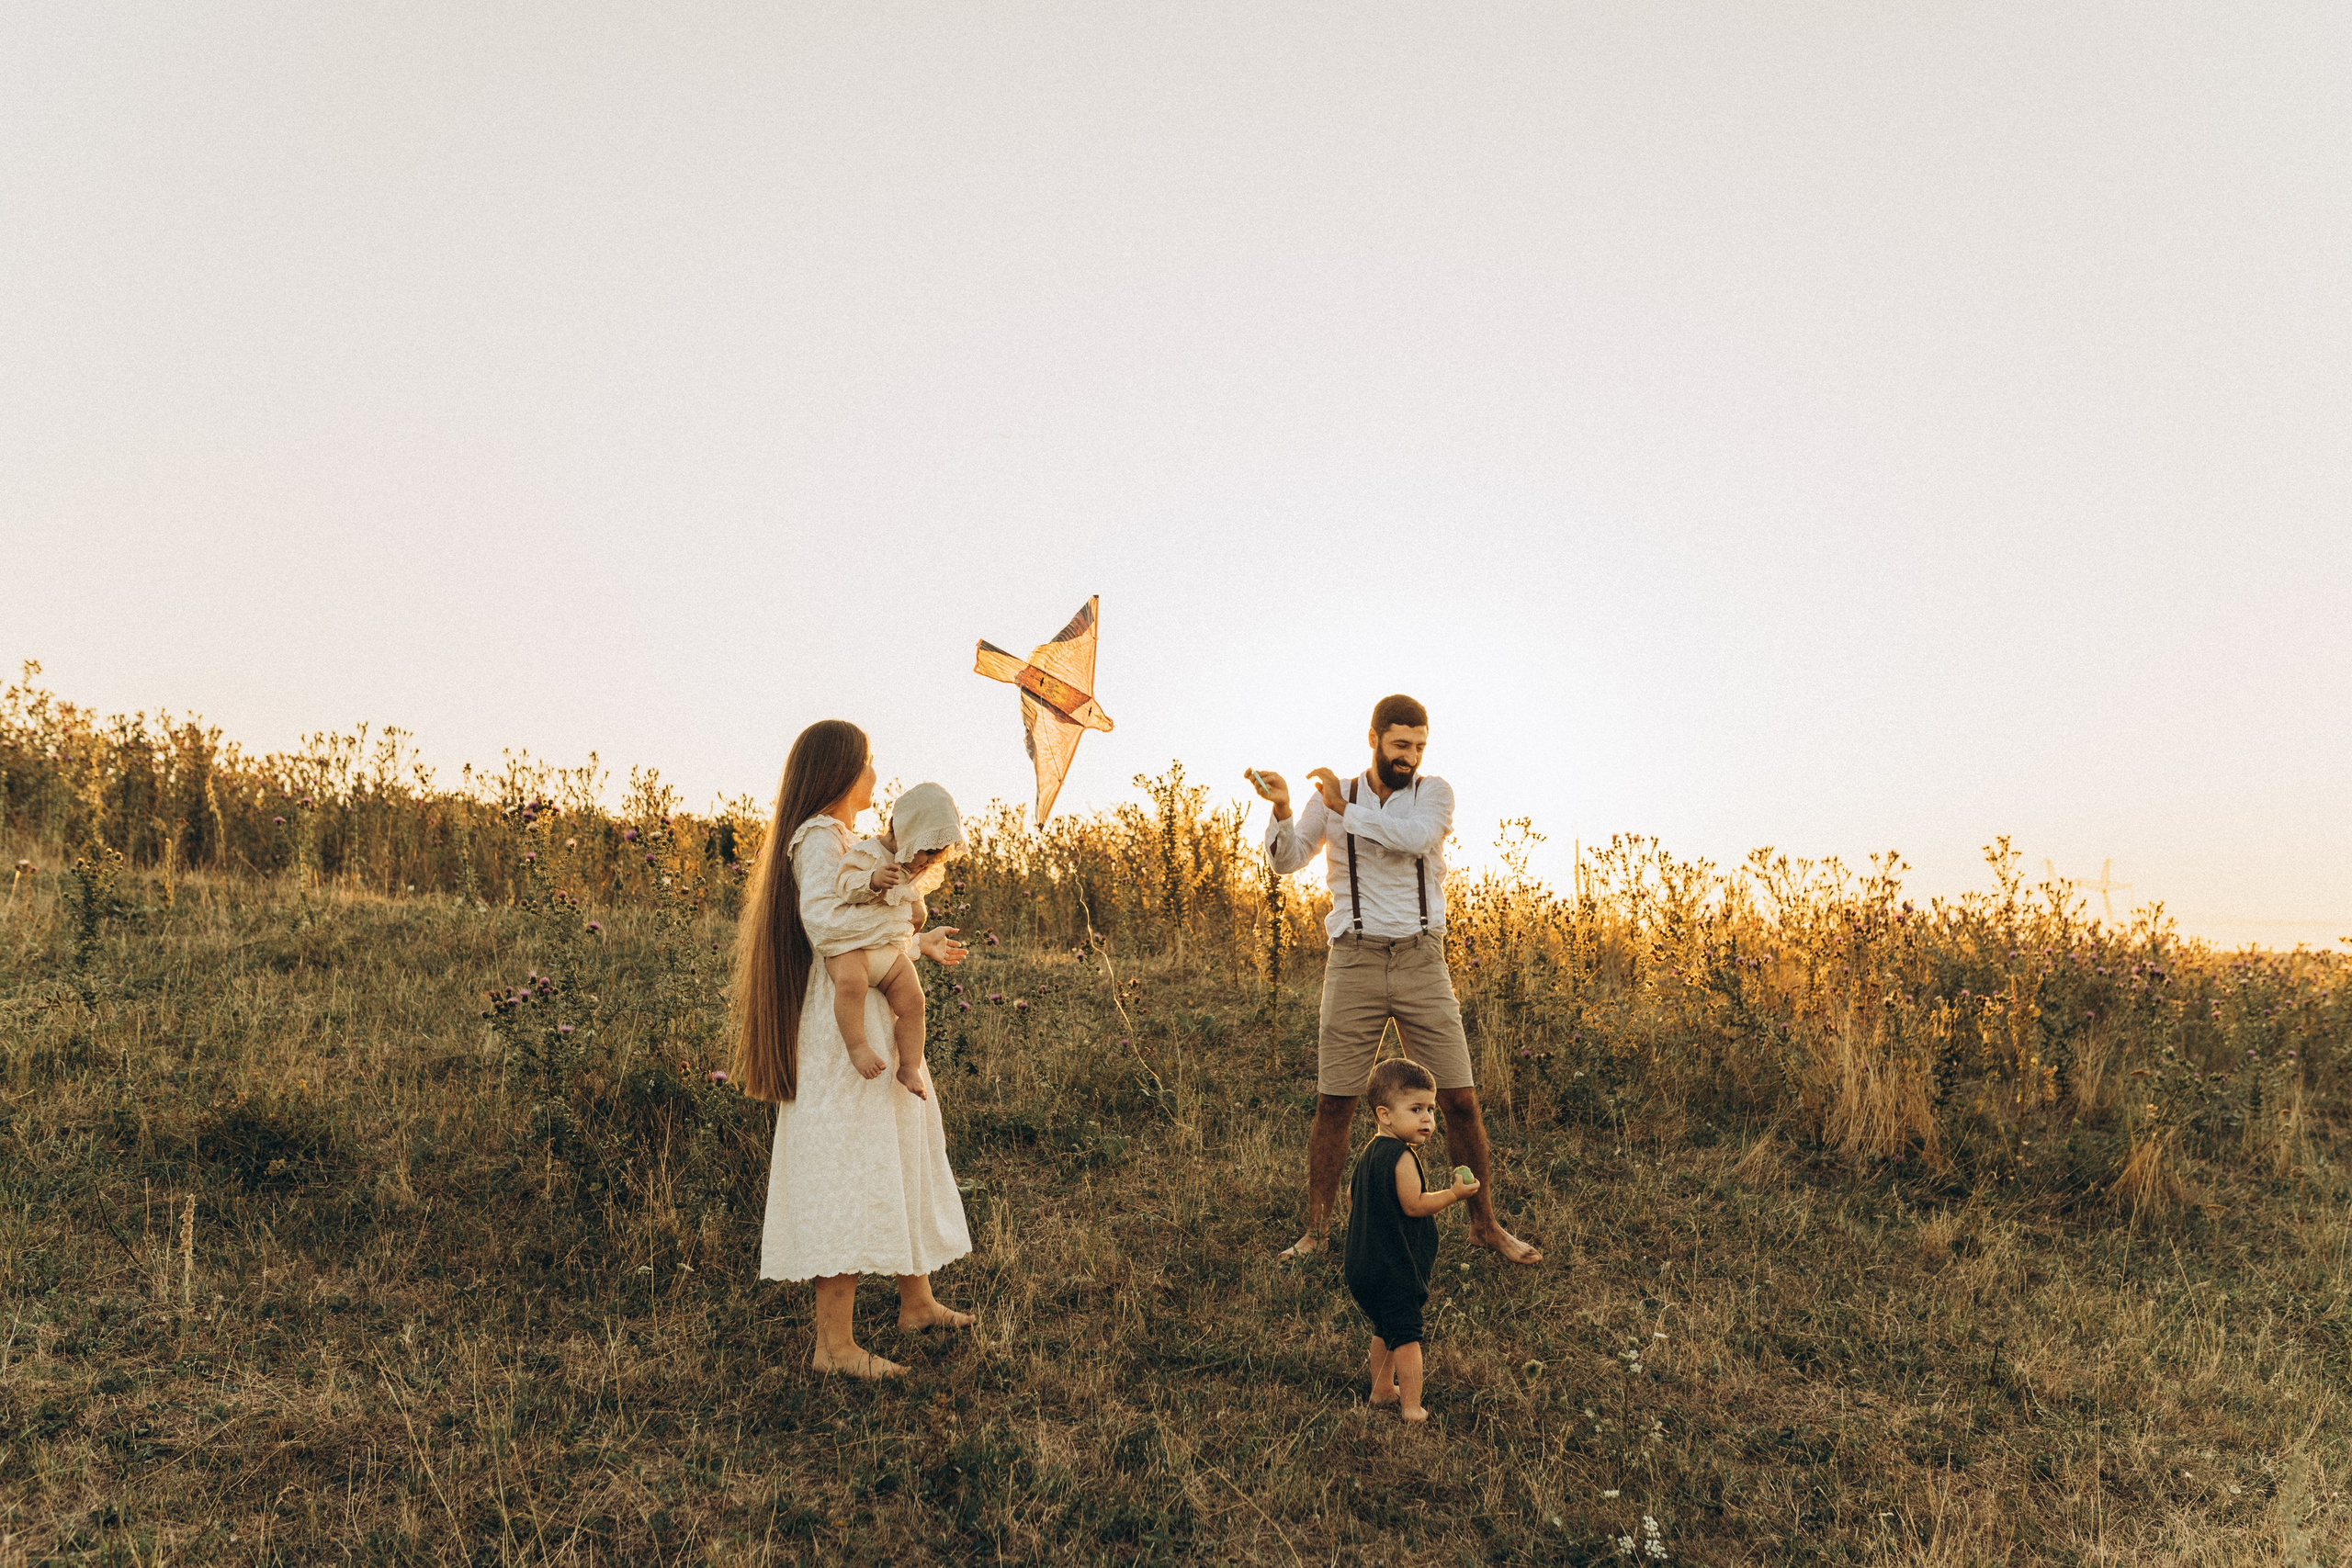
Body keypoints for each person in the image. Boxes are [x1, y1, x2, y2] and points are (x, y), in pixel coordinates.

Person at [1248, 693, 1543, 1266]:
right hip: (1353, 960)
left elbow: (1411, 837)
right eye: (1400, 744)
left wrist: (1341, 806)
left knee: (1459, 1100)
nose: (1410, 756)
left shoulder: (1433, 794)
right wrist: (1285, 810)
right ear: (1374, 740)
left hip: (1420, 960)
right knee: (1335, 1101)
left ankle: (1484, 1225)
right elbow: (1287, 861)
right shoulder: (1334, 796)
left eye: (1419, 746)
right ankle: (1317, 1233)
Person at [732, 722, 975, 1379]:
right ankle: (834, 1344)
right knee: (846, 1157)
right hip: (844, 1030)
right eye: (867, 763)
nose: (875, 775)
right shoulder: (817, 836)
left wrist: (916, 943)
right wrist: (904, 920)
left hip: (872, 1007)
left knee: (898, 1140)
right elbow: (826, 922)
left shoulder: (848, 842)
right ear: (839, 773)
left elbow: (868, 930)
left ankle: (915, 1300)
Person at [1344, 1058, 1480, 1421]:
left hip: (1362, 1263)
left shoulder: (1369, 1153)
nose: (1427, 1119)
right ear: (1385, 1114)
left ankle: (1382, 1390)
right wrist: (1454, 1194)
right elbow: (1416, 1205)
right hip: (1393, 1268)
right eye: (1416, 1109)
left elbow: (1352, 1198)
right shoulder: (1402, 1157)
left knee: (1383, 1327)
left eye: (1431, 1110)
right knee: (1406, 1335)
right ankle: (1412, 1407)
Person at [826, 783, 966, 1100]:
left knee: (915, 1001)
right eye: (927, 851)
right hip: (855, 947)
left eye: (935, 856)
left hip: (888, 954)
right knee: (850, 984)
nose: (927, 862)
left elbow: (910, 900)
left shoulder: (914, 868)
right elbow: (843, 884)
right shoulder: (868, 852)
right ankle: (858, 1046)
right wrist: (872, 880)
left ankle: (909, 1065)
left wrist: (918, 910)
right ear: (903, 830)